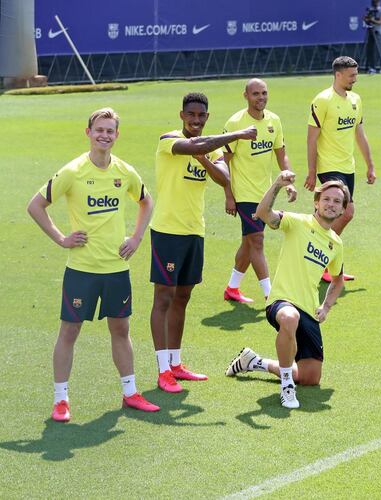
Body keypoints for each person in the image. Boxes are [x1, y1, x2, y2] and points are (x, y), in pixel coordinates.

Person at [27, 108, 159, 421]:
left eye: (110, 131)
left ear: (116, 135)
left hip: (116, 268)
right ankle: (61, 400)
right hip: (82, 270)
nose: (104, 135)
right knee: (69, 331)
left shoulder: (125, 172)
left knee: (121, 328)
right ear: (89, 133)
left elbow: (146, 201)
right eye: (99, 130)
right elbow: (36, 205)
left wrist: (137, 238)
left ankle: (130, 393)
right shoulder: (73, 171)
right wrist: (61, 239)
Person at [150, 92, 257, 393]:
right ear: (182, 115)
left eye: (201, 116)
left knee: (183, 297)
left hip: (194, 231)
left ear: (207, 118)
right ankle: (161, 371)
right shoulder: (168, 139)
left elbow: (224, 179)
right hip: (168, 232)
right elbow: (195, 145)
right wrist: (236, 135)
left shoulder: (209, 149)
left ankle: (175, 363)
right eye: (191, 115)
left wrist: (204, 157)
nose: (196, 120)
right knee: (163, 298)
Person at [225, 171, 347, 409]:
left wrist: (326, 307)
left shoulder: (336, 243)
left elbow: (338, 280)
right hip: (281, 302)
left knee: (311, 378)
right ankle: (287, 387)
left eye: (337, 202)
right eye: (327, 199)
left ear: (342, 210)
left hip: (309, 311)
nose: (331, 205)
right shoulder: (297, 222)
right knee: (290, 318)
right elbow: (262, 214)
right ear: (316, 202)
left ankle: (254, 362)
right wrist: (278, 185)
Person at [222, 78, 297, 304]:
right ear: (245, 96)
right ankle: (270, 294)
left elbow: (281, 153)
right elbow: (223, 161)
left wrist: (289, 180)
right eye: (255, 94)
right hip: (244, 193)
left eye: (264, 93)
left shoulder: (274, 120)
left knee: (248, 242)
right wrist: (228, 195)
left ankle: (232, 288)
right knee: (257, 241)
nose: (260, 98)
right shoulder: (235, 123)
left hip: (266, 194)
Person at [305, 55, 377, 282]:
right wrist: (311, 171)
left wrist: (370, 164)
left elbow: (360, 133)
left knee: (339, 216)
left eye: (356, 74)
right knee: (346, 212)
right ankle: (322, 260)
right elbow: (311, 139)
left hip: (348, 167)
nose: (355, 79)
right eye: (351, 75)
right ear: (338, 75)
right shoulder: (323, 100)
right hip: (329, 166)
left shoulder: (355, 99)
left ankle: (322, 260)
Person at [363, 0, 381, 74]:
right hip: (371, 32)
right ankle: (372, 68)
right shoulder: (371, 10)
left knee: (379, 50)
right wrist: (366, 19)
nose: (375, 3)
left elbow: (380, 22)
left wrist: (372, 20)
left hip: (378, 32)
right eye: (373, 2)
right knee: (370, 51)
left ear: (379, 2)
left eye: (376, 2)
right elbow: (368, 21)